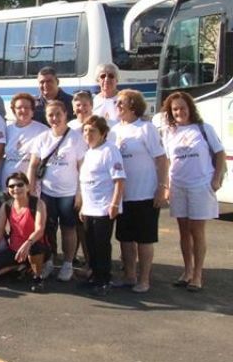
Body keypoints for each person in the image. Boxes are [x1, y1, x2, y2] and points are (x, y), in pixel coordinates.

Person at [160, 91, 226, 292]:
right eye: (175, 109)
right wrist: (167, 186)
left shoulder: (204, 129)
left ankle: (198, 274)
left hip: (200, 185)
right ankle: (187, 271)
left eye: (182, 108)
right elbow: (168, 160)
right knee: (183, 231)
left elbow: (220, 153)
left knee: (197, 231)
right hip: (178, 186)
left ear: (190, 108)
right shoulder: (169, 132)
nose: (179, 112)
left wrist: (216, 179)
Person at [111, 89, 167, 292]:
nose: (117, 106)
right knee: (125, 238)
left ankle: (144, 279)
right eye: (116, 102)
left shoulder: (146, 128)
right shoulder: (114, 130)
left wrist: (162, 187)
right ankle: (129, 276)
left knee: (144, 239)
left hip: (145, 193)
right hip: (123, 195)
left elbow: (161, 159)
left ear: (133, 105)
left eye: (121, 103)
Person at [27, 99, 87, 282]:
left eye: (58, 114)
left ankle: (68, 264)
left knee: (69, 229)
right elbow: (33, 165)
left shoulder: (76, 138)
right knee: (48, 229)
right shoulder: (42, 138)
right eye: (50, 115)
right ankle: (50, 260)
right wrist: (31, 189)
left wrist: (80, 193)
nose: (54, 118)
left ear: (65, 115)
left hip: (68, 194)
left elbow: (82, 168)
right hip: (47, 193)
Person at [78, 115, 126, 297]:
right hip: (89, 208)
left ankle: (104, 280)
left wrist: (114, 203)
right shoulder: (89, 153)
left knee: (101, 245)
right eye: (85, 130)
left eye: (92, 131)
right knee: (90, 245)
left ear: (103, 133)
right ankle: (94, 277)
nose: (88, 134)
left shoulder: (110, 150)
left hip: (104, 208)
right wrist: (82, 206)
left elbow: (119, 179)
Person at [0, 172, 50, 292]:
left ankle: (37, 278)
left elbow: (40, 229)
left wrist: (27, 243)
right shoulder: (6, 206)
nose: (15, 188)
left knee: (34, 248)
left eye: (19, 185)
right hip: (15, 250)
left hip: (35, 246)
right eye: (11, 186)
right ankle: (20, 267)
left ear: (27, 187)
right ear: (7, 190)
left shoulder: (38, 203)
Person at [0, 93, 48, 195]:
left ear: (32, 110)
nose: (23, 111)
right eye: (19, 108)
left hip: (30, 185)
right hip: (9, 184)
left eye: (27, 107)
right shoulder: (7, 129)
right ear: (13, 110)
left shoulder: (43, 130)